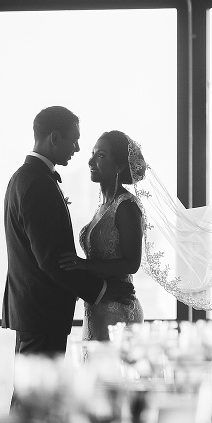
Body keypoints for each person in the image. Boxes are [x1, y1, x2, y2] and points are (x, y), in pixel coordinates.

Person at [2, 107, 135, 360]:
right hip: (42, 311)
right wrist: (102, 291)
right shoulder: (39, 182)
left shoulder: (24, 177)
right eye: (74, 140)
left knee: (32, 393)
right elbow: (51, 259)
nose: (76, 149)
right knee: (37, 394)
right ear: (54, 138)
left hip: (35, 310)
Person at [58, 130, 145, 340]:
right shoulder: (102, 207)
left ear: (119, 166)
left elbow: (132, 263)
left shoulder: (126, 206)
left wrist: (83, 265)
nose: (90, 161)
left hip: (119, 309)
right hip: (96, 306)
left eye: (101, 155)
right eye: (93, 153)